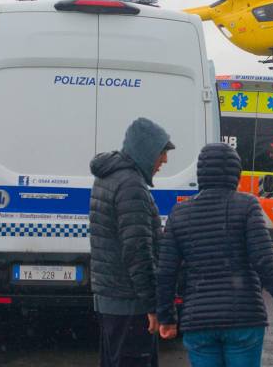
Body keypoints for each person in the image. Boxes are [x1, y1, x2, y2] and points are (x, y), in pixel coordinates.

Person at [156, 143, 273, 367]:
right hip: (244, 317)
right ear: (235, 173)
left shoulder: (180, 213)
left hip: (198, 320)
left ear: (201, 174)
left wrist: (166, 317)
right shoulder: (247, 206)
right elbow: (263, 258)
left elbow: (166, 271)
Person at [89, 117, 175, 367]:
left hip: (112, 298)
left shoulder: (108, 177)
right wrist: (151, 305)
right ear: (146, 151)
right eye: (162, 152)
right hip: (130, 302)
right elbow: (137, 251)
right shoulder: (131, 185)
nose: (164, 161)